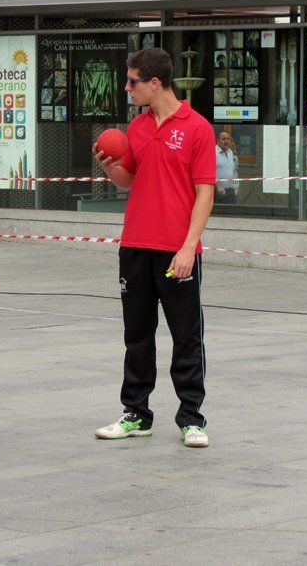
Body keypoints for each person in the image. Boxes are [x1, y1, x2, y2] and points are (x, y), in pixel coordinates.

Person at [92, 47, 215, 448]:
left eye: (133, 82)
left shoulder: (197, 128)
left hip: (176, 250)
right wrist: (111, 168)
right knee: (137, 334)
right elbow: (129, 181)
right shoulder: (138, 128)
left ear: (155, 83)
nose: (127, 89)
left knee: (186, 335)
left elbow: (205, 193)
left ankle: (192, 418)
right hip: (135, 245)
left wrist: (188, 246)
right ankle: (136, 413)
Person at [215, 131, 238, 204]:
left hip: (230, 190)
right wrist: (217, 186)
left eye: (228, 139)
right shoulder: (212, 152)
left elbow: (232, 171)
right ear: (218, 140)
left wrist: (234, 187)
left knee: (233, 213)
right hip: (217, 190)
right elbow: (208, 172)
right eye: (223, 139)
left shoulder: (230, 152)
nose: (226, 141)